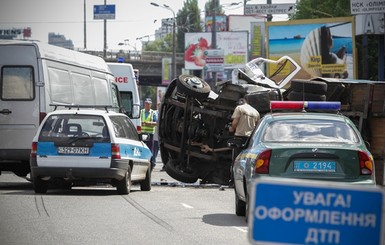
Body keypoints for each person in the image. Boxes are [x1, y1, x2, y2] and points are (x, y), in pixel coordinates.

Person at [228, 97, 260, 186]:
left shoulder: (239, 108)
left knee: (236, 159)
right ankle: (247, 181)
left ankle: (233, 181)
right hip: (250, 139)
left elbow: (235, 123)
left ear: (241, 101)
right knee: (247, 160)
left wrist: (231, 129)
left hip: (239, 137)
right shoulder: (255, 112)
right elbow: (257, 127)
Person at [141, 98, 157, 170]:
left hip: (150, 134)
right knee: (142, 148)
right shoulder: (141, 112)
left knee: (150, 149)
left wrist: (149, 123)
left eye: (148, 104)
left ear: (150, 105)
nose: (147, 105)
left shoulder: (153, 113)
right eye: (146, 103)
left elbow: (156, 123)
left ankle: (150, 163)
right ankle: (142, 162)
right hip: (142, 133)